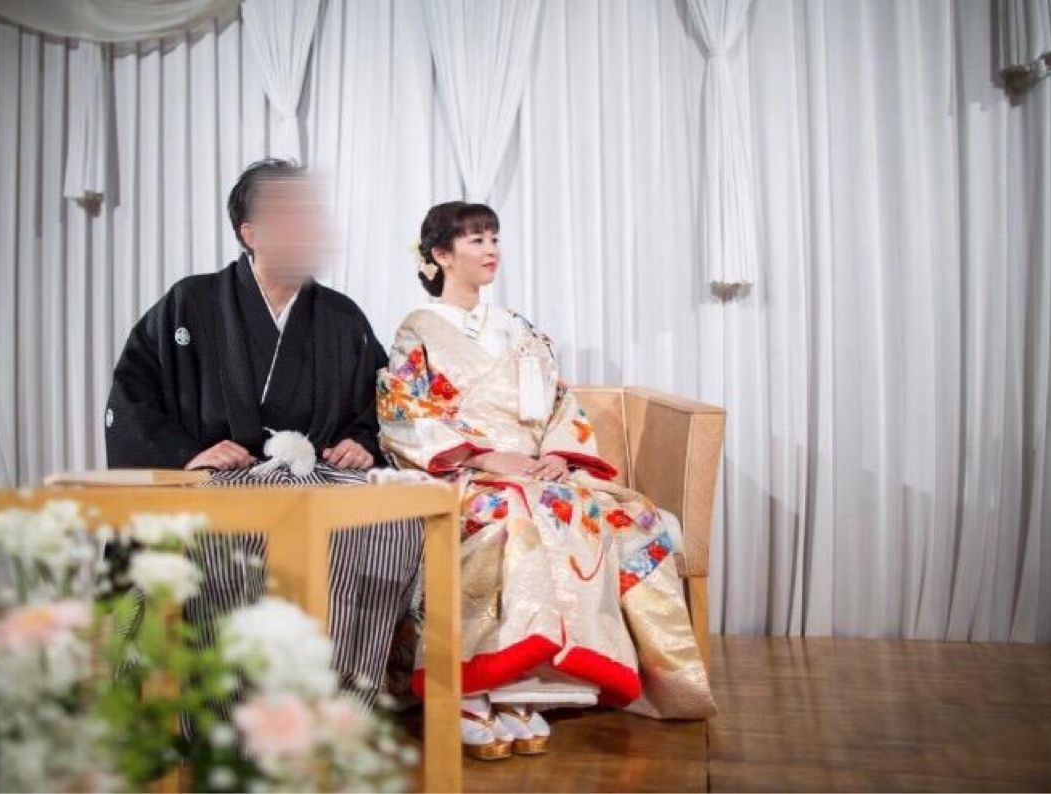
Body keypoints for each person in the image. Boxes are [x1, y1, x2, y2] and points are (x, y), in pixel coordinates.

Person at [377, 201, 715, 760]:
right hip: (467, 472)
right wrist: (486, 458)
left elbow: (561, 402)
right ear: (440, 255)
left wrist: (560, 456)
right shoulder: (419, 330)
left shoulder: (519, 329)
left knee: (616, 515)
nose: (491, 250)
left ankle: (529, 686)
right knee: (509, 519)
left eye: (494, 238)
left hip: (537, 470)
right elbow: (404, 410)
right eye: (476, 241)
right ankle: (473, 688)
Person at [105, 159, 420, 704]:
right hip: (219, 483)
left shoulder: (341, 316)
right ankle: (223, 705)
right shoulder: (190, 303)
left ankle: (338, 696)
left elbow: (380, 404)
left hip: (318, 480)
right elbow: (133, 393)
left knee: (390, 526)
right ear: (249, 233)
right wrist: (189, 452)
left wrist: (363, 440)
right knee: (226, 539)